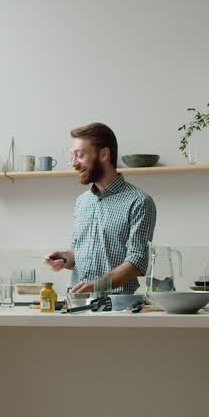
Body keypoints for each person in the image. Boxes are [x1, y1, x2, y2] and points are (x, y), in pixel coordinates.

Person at [44, 123, 157, 294]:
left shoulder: (139, 201)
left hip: (117, 307)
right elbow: (80, 251)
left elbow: (136, 262)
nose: (74, 164)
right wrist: (66, 258)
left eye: (80, 155)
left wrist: (97, 286)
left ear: (104, 154)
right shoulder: (82, 202)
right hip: (76, 302)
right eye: (72, 156)